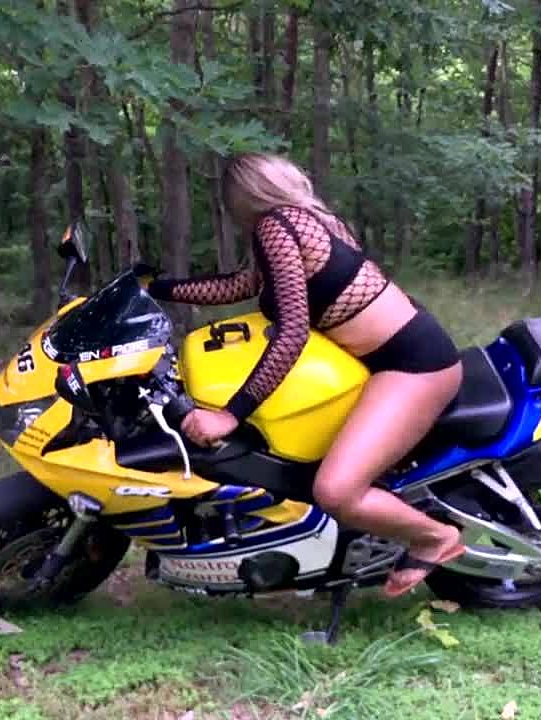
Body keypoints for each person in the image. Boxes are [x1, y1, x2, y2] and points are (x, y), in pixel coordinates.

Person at [147, 153, 465, 597]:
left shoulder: (277, 226)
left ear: (241, 197)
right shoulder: (307, 221)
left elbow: (292, 331)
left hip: (412, 365)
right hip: (385, 359)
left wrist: (231, 414)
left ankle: (434, 538)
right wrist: (155, 287)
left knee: (336, 491)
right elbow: (242, 285)